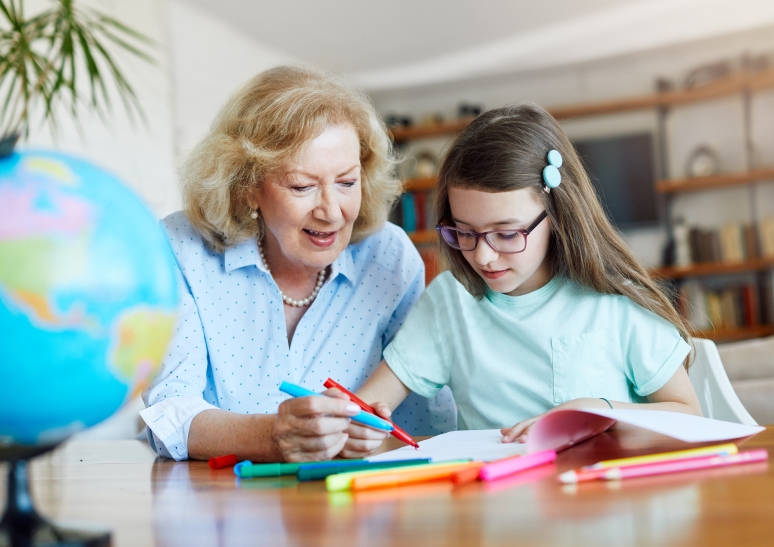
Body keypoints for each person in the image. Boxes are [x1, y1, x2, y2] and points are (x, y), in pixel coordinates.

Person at [347, 103, 701, 456]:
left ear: (556, 214)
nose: (483, 256)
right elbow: (365, 407)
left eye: (506, 234)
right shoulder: (450, 301)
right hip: (492, 488)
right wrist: (348, 423)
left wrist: (598, 412)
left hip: (601, 486)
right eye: (464, 232)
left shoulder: (616, 302)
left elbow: (691, 417)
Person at [141, 66, 456, 462]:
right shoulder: (181, 249)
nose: (331, 212)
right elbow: (170, 412)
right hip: (213, 495)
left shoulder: (389, 257)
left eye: (347, 182)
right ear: (246, 187)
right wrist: (273, 436)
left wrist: (374, 436)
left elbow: (427, 425)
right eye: (302, 186)